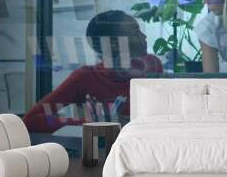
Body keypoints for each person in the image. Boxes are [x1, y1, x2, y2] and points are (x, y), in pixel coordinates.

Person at [23, 10, 163, 133]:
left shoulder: (153, 64)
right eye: (136, 32)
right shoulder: (85, 77)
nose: (144, 36)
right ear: (114, 44)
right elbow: (30, 121)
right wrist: (88, 123)